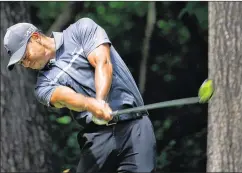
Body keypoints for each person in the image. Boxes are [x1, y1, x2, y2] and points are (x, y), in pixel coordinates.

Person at [3, 18, 157, 172]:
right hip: (98, 137)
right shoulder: (43, 85)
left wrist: (100, 101)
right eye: (21, 62)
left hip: (135, 124)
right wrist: (92, 105)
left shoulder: (81, 30)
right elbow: (65, 97)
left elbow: (103, 63)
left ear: (36, 37)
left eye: (24, 55)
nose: (25, 64)